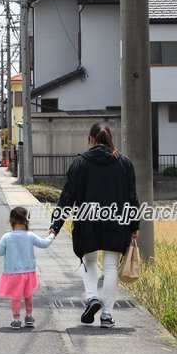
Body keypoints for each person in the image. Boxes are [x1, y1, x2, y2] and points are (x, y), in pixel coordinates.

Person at [49, 122, 139, 328]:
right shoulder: (124, 163)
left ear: (90, 139)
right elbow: (132, 197)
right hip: (117, 221)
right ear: (110, 139)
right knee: (110, 266)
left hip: (87, 222)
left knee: (89, 260)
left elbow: (68, 196)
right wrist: (134, 224)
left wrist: (57, 223)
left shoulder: (80, 163)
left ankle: (92, 298)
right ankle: (106, 315)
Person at [0, 207, 55, 329]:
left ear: (11, 221)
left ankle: (16, 319)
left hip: (13, 273)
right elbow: (44, 243)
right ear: (27, 221)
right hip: (29, 273)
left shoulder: (7, 237)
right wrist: (52, 235)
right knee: (28, 295)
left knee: (15, 297)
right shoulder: (30, 236)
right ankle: (29, 316)